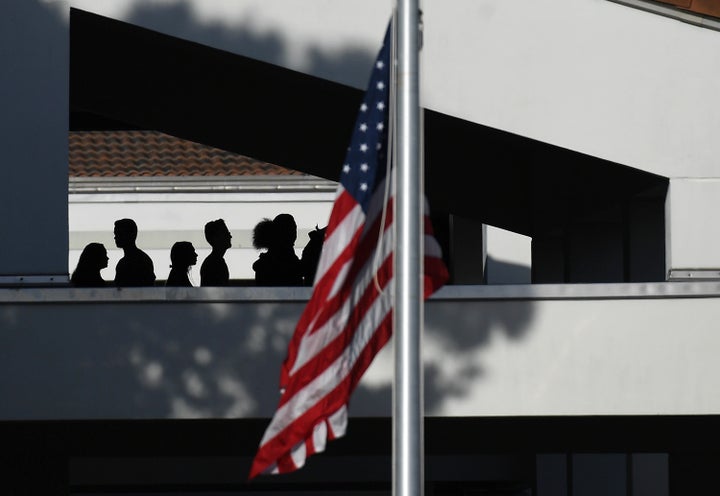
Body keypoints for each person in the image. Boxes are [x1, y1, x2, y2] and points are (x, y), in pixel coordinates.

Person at [252, 213, 303, 286]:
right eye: (290, 229)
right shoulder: (285, 258)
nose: (294, 233)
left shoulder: (267, 261)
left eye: (294, 228)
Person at [113, 218, 156, 287]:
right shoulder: (143, 259)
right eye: (116, 234)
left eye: (119, 234)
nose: (115, 237)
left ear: (130, 235)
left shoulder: (126, 262)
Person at [200, 219, 232, 286]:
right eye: (225, 234)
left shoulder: (213, 261)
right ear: (216, 238)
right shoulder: (215, 263)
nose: (230, 236)